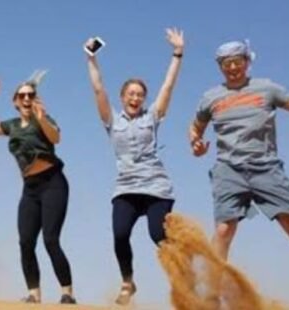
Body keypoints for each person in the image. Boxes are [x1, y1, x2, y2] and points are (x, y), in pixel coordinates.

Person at [189, 40, 289, 282]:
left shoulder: (266, 88)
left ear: (247, 62)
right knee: (224, 229)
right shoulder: (211, 97)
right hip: (228, 170)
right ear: (220, 66)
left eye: (237, 62)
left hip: (265, 167)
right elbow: (195, 128)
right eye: (226, 63)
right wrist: (196, 144)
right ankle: (210, 294)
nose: (232, 67)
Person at [85, 29, 185, 305]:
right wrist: (91, 59)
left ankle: (182, 275)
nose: (135, 97)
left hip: (156, 187)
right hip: (126, 187)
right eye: (131, 93)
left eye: (140, 94)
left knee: (158, 236)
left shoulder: (152, 117)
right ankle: (128, 281)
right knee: (120, 234)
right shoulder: (112, 120)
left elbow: (167, 87)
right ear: (122, 97)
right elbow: (97, 88)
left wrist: (177, 54)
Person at [0, 74, 77, 304]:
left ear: (35, 99)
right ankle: (34, 295)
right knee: (25, 242)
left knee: (51, 240)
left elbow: (56, 138)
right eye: (21, 96)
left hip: (53, 183)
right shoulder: (12, 125)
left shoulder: (43, 118)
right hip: (30, 189)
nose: (26, 98)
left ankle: (67, 294)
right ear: (15, 101)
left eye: (30, 95)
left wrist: (42, 118)